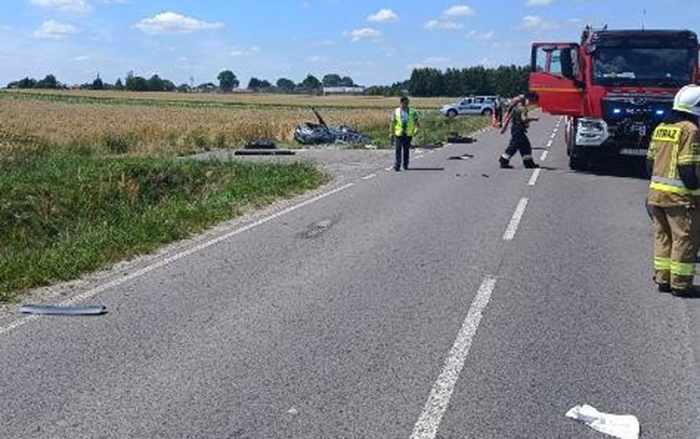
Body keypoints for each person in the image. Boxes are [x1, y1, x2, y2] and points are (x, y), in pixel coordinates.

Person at [647, 85, 700, 297]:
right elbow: (687, 168)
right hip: (681, 198)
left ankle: (663, 279)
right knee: (684, 239)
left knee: (663, 237)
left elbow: (649, 164)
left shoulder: (661, 127)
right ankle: (680, 284)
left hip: (656, 194)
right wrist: (696, 190)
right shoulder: (691, 130)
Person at [499, 95, 539, 169]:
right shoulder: (523, 109)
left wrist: (504, 128)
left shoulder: (515, 108)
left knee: (525, 146)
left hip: (514, 129)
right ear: (523, 101)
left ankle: (528, 163)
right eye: (525, 99)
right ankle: (503, 160)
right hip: (519, 129)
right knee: (514, 146)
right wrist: (534, 119)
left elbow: (508, 119)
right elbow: (524, 119)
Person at [390, 96, 420, 171]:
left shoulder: (413, 112)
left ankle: (405, 164)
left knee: (406, 150)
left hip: (408, 133)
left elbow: (417, 122)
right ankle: (397, 165)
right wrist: (391, 132)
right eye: (404, 103)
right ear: (400, 103)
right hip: (399, 133)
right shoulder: (395, 111)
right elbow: (392, 122)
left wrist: (416, 129)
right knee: (398, 149)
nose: (405, 105)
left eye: (407, 103)